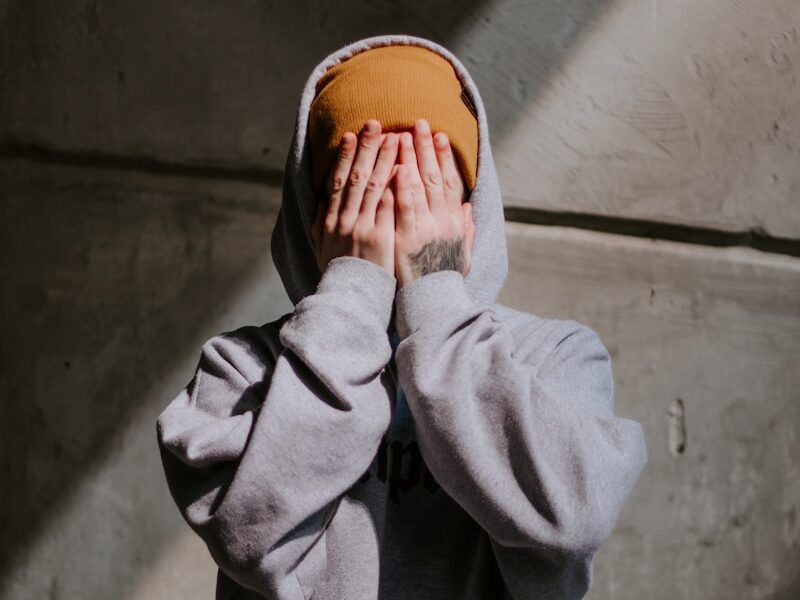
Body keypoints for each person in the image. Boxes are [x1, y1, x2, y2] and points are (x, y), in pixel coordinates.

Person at [156, 34, 648, 600]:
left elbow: (569, 522)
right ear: (316, 217)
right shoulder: (242, 370)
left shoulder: (555, 358)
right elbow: (250, 537)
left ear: (470, 210)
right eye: (364, 188)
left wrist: (435, 295)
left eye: (424, 187)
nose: (397, 211)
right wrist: (352, 291)